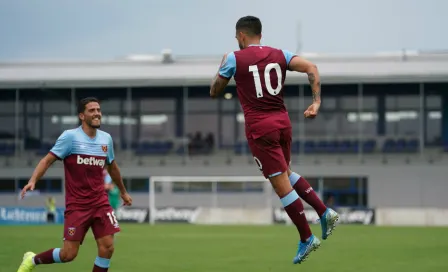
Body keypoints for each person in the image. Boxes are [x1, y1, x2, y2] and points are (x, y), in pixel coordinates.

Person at [210, 16, 339, 264]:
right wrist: (316, 102)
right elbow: (312, 68)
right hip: (282, 123)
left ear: (241, 36)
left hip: (260, 128)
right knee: (286, 172)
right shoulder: (281, 54)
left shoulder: (234, 59)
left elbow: (215, 91)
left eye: (237, 37)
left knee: (280, 184)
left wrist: (221, 68)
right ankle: (324, 212)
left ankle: (306, 237)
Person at [17, 97, 132, 272]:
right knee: (68, 254)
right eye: (92, 110)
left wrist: (123, 192)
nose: (97, 113)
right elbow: (47, 160)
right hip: (78, 206)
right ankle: (32, 259)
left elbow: (112, 167)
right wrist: (33, 180)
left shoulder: (106, 139)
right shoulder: (70, 137)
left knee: (107, 247)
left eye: (98, 110)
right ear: (81, 115)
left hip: (100, 202)